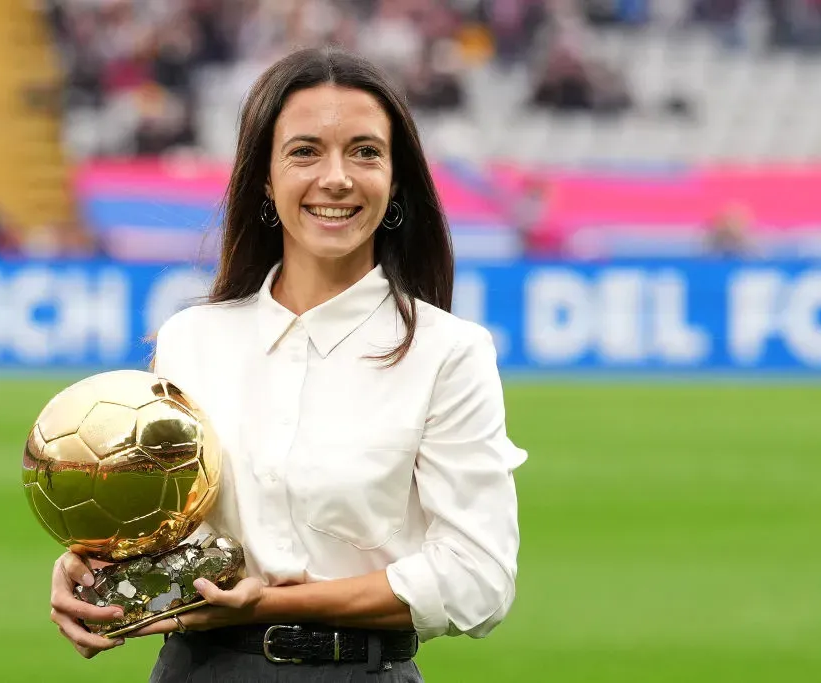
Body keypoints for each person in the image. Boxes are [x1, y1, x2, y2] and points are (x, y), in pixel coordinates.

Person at [48, 46, 527, 682]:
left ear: (397, 180)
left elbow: (477, 580)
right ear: (265, 182)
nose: (337, 177)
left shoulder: (450, 353)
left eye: (365, 151)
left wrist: (275, 604)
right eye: (305, 151)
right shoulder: (191, 339)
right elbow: (178, 537)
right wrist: (100, 568)